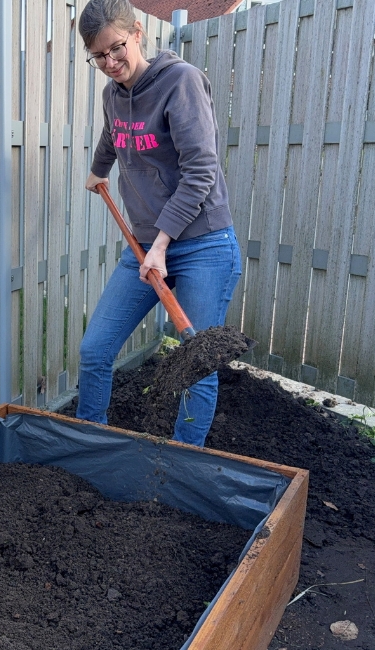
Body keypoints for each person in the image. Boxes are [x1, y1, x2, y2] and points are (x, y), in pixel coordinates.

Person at [75, 0, 241, 447]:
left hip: (203, 244)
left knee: (195, 365)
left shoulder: (180, 82)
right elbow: (114, 133)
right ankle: (88, 442)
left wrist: (163, 244)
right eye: (98, 56)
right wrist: (98, 169)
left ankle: (184, 463)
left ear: (138, 35)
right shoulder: (113, 94)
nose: (110, 63)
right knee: (95, 351)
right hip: (144, 249)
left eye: (117, 48)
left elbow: (201, 172)